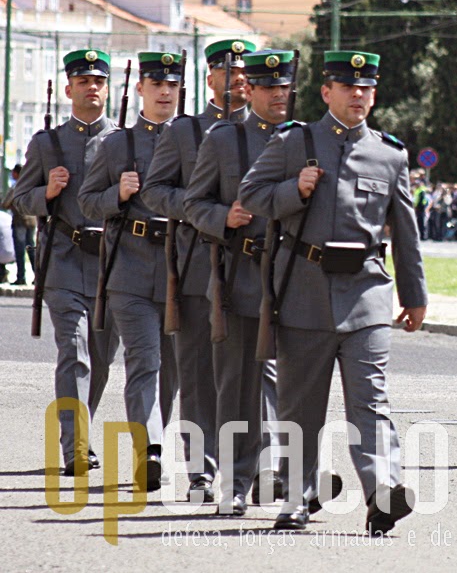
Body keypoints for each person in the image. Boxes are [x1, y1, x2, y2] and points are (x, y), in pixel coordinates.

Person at [239, 50, 427, 534]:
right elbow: (251, 197)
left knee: (371, 399)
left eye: (366, 88)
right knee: (301, 404)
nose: (358, 95)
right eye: (348, 87)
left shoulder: (390, 154)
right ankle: (298, 496)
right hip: (303, 290)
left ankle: (383, 492)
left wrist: (415, 294)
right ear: (327, 93)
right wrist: (294, 192)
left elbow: (405, 233)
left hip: (366, 292)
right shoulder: (294, 142)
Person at [140, 38, 255, 503]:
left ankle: (255, 466)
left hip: (252, 269)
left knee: (255, 374)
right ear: (210, 79)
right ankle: (201, 471)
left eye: (246, 73)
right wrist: (200, 211)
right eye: (230, 73)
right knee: (198, 374)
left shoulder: (274, 132)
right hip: (195, 266)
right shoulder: (185, 132)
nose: (240, 81)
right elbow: (154, 191)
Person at [183, 49, 296, 517]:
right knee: (236, 386)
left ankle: (280, 472)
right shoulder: (225, 139)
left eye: (284, 88)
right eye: (268, 88)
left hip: (291, 277)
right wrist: (223, 217)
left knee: (286, 381)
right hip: (238, 275)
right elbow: (193, 203)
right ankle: (234, 479)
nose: (278, 97)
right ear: (248, 90)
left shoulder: (304, 140)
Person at [11, 49, 121, 476]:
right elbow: (19, 198)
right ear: (69, 88)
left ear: (107, 88)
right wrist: (47, 193)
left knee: (101, 356)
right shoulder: (47, 142)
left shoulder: (122, 141)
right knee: (74, 353)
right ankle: (75, 446)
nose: (91, 87)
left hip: (113, 265)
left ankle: (83, 431)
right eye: (83, 81)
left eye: (98, 81)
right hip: (63, 261)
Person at [79, 51, 184, 490]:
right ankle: (150, 450)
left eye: (172, 85)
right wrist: (116, 197)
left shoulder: (194, 140)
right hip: (131, 267)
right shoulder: (116, 144)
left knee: (172, 369)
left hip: (180, 268)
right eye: (156, 84)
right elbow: (87, 201)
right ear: (140, 88)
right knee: (145, 360)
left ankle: (154, 439)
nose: (164, 92)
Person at [6, 164, 36, 285]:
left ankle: (21, 277)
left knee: (20, 251)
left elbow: (5, 203)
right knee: (31, 250)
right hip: (32, 220)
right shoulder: (32, 184)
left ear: (17, 173)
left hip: (20, 221)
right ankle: (37, 277)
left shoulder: (17, 186)